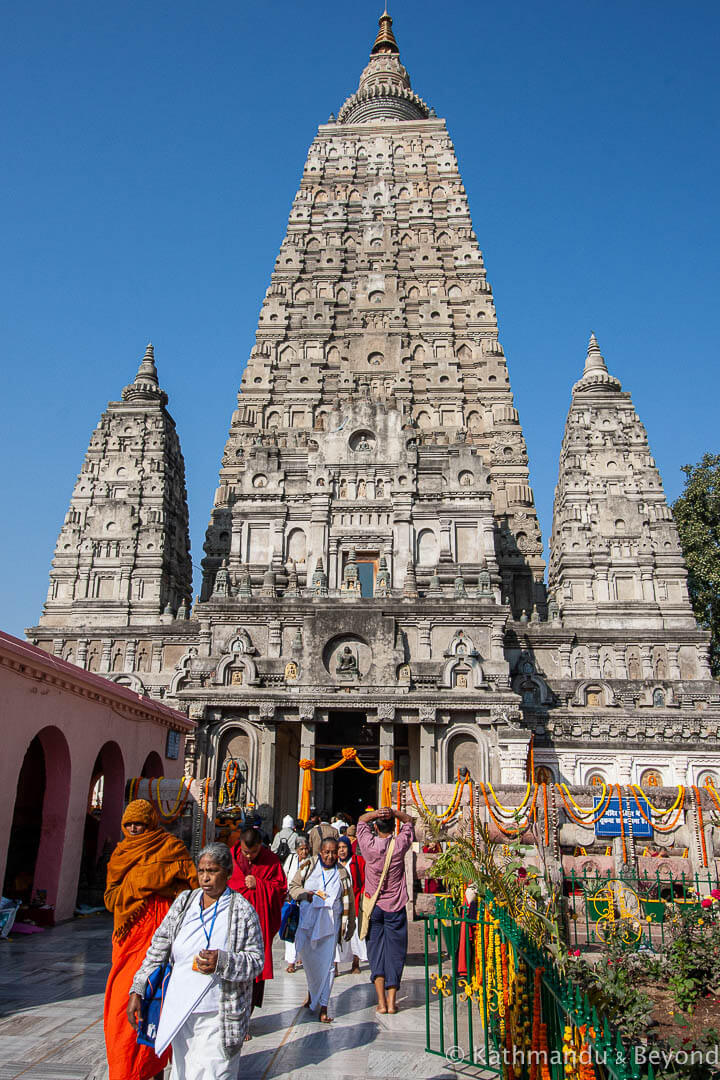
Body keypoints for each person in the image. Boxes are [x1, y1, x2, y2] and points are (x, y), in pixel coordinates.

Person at [127, 843, 264, 1080]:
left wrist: (223, 961)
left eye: (212, 871)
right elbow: (158, 948)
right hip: (181, 1010)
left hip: (219, 1014)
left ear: (228, 873)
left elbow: (256, 961)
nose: (206, 878)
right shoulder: (184, 903)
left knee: (215, 1072)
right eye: (201, 871)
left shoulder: (242, 911)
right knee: (184, 1072)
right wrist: (138, 989)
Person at [103, 799, 198, 1080]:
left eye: (140, 823)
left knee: (156, 1001)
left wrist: (159, 884)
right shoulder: (120, 855)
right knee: (122, 1007)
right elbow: (110, 899)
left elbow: (191, 886)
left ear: (151, 823)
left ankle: (152, 1067)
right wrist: (140, 882)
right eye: (129, 823)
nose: (134, 828)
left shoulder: (171, 847)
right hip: (130, 937)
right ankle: (124, 1070)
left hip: (162, 931)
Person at [289, 837, 355, 1023]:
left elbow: (348, 899)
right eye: (327, 852)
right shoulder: (308, 867)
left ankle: (324, 1007)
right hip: (308, 924)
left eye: (334, 852)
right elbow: (293, 887)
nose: (330, 856)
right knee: (310, 964)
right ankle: (312, 994)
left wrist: (349, 926)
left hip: (330, 926)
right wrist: (304, 895)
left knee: (328, 966)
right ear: (320, 852)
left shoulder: (342, 873)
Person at [357, 806, 415, 1015]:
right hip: (395, 906)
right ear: (393, 827)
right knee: (395, 953)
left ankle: (380, 1002)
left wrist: (376, 814)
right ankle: (392, 1002)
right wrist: (394, 813)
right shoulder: (399, 844)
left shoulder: (368, 845)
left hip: (374, 907)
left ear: (375, 827)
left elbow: (361, 821)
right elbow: (410, 822)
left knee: (376, 953)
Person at [228, 826, 286, 1027]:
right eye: (246, 852)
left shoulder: (270, 860)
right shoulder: (230, 859)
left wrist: (260, 884)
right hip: (232, 928)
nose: (250, 856)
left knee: (254, 976)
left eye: (254, 852)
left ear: (261, 846)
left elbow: (280, 889)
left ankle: (245, 1019)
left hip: (258, 929)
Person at [334, 835, 366, 974]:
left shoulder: (357, 861)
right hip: (338, 904)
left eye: (344, 847)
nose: (342, 851)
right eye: (339, 848)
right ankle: (334, 966)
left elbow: (364, 881)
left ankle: (355, 963)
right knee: (336, 935)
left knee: (356, 937)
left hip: (355, 902)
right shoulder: (333, 863)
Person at [283, 838, 309, 972]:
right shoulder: (292, 859)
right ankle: (291, 961)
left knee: (302, 930)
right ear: (296, 850)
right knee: (290, 929)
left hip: (304, 900)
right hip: (291, 900)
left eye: (306, 849)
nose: (304, 852)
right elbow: (284, 874)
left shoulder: (311, 862)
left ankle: (300, 956)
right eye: (301, 849)